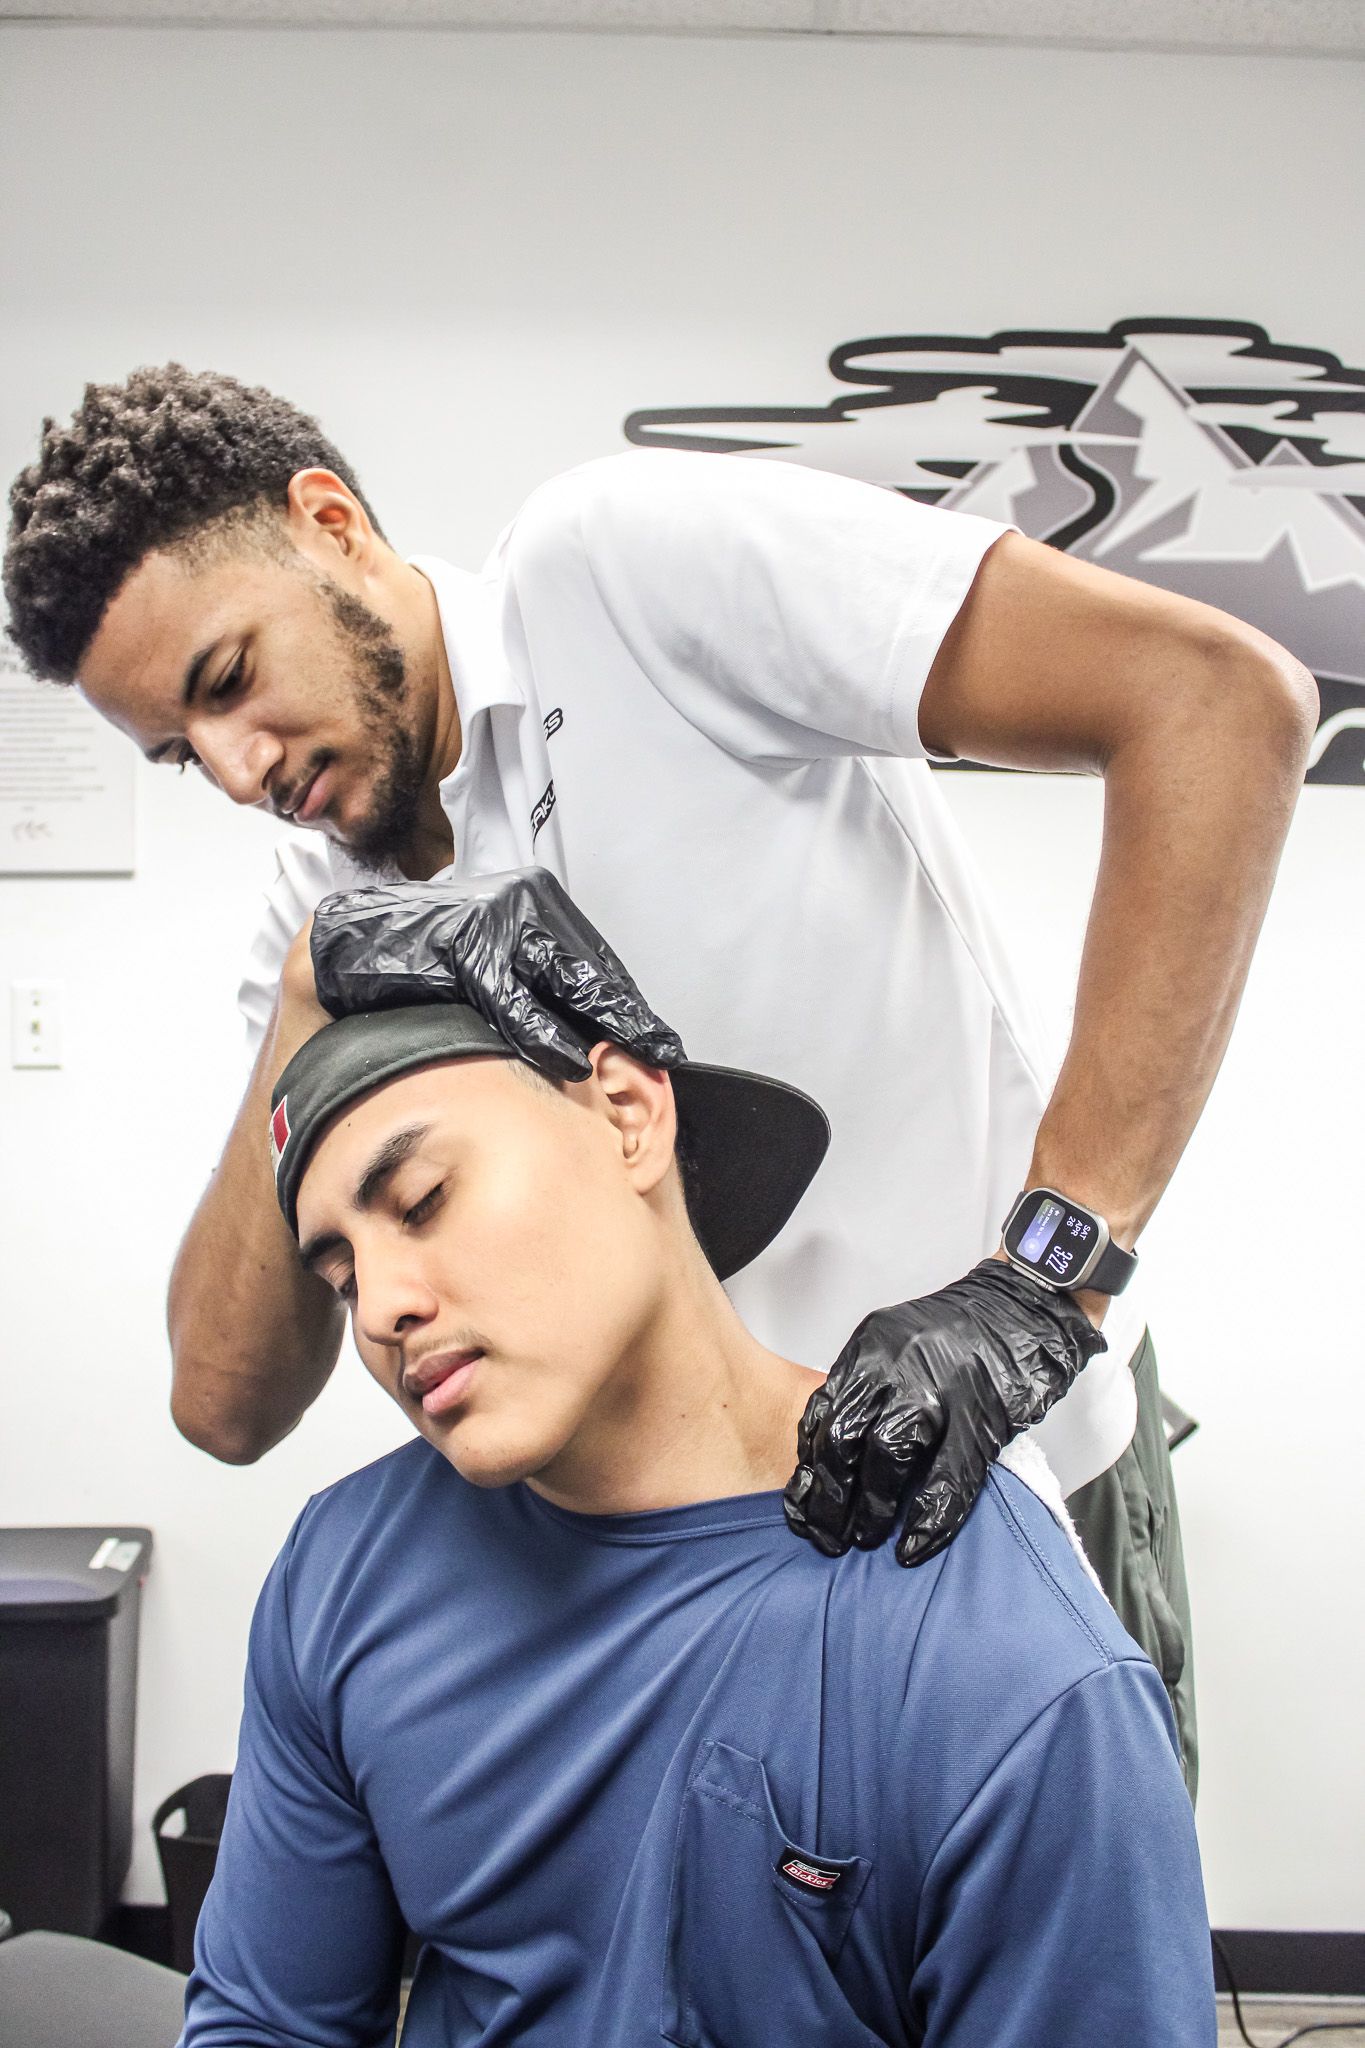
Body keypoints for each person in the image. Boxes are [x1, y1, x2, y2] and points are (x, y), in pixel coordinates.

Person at [3, 368, 1319, 1795]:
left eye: (227, 681)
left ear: (331, 524)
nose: (235, 768)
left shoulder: (619, 574)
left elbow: (1216, 701)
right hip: (699, 1582)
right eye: (179, 755)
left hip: (1003, 1471)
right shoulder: (315, 913)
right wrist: (316, 977)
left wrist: (1044, 1284)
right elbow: (224, 1403)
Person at [180, 977, 1217, 2046]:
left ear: (627, 1113)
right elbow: (267, 2023)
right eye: (345, 1278)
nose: (385, 1309)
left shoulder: (1004, 1662)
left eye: (423, 1200)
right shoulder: (344, 1574)